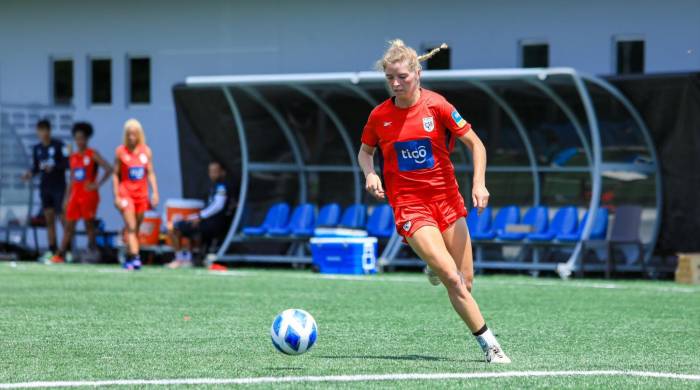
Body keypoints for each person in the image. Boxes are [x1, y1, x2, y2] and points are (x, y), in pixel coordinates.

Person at [357, 40, 510, 363]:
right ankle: (491, 346)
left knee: (465, 282)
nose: (396, 84)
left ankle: (434, 265)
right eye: (390, 79)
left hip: (448, 202)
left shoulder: (437, 106)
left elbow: (476, 144)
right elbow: (365, 152)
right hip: (411, 207)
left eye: (402, 77)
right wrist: (370, 174)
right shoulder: (379, 116)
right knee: (452, 278)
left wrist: (479, 184)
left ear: (417, 73)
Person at [51, 122, 113, 263]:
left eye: (82, 138)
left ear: (87, 139)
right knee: (69, 225)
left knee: (88, 224)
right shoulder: (73, 157)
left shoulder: (92, 154)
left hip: (89, 195)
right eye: (77, 138)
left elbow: (109, 168)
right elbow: (72, 179)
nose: (80, 141)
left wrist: (97, 184)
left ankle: (92, 251)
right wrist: (66, 198)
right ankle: (60, 254)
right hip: (75, 195)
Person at [166, 160, 234, 269]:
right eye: (211, 172)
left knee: (173, 228)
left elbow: (218, 206)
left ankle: (181, 259)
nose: (212, 174)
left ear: (223, 172)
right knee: (184, 225)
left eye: (215, 171)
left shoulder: (222, 187)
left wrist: (200, 216)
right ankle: (188, 258)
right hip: (209, 221)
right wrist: (195, 216)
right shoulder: (215, 186)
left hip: (215, 224)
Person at [112, 119, 159, 271]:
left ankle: (129, 256)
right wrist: (117, 196)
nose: (132, 137)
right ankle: (136, 257)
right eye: (129, 134)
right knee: (131, 226)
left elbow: (150, 173)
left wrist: (155, 193)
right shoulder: (120, 151)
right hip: (126, 194)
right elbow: (115, 174)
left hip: (142, 195)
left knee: (136, 228)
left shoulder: (146, 151)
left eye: (134, 134)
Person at [22, 119, 69, 263]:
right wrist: (29, 174)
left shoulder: (60, 146)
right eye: (40, 130)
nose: (43, 133)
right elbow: (36, 167)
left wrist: (54, 167)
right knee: (49, 220)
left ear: (49, 131)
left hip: (59, 187)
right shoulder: (37, 149)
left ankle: (66, 250)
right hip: (45, 187)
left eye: (45, 130)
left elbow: (68, 163)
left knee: (63, 220)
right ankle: (52, 249)